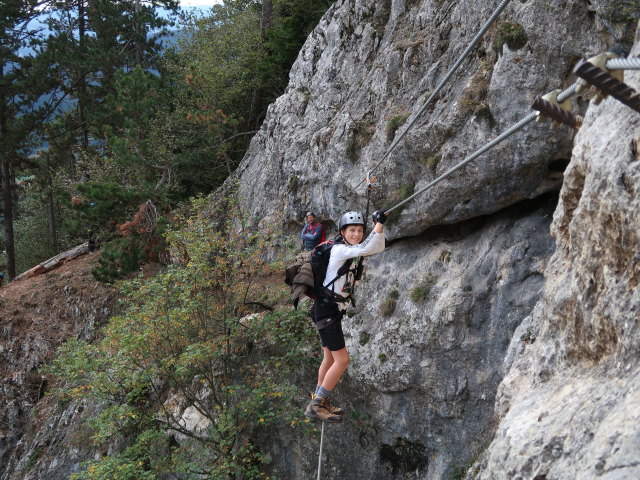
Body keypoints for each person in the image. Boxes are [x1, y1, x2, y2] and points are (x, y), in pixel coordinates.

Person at [304, 209, 387, 423]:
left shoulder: (346, 250)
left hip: (326, 309)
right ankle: (316, 405)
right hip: (327, 310)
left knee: (329, 358)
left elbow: (363, 248)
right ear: (343, 231)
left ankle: (319, 401)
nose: (357, 234)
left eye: (360, 230)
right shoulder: (340, 249)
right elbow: (371, 247)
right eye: (352, 230)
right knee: (342, 360)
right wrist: (379, 223)